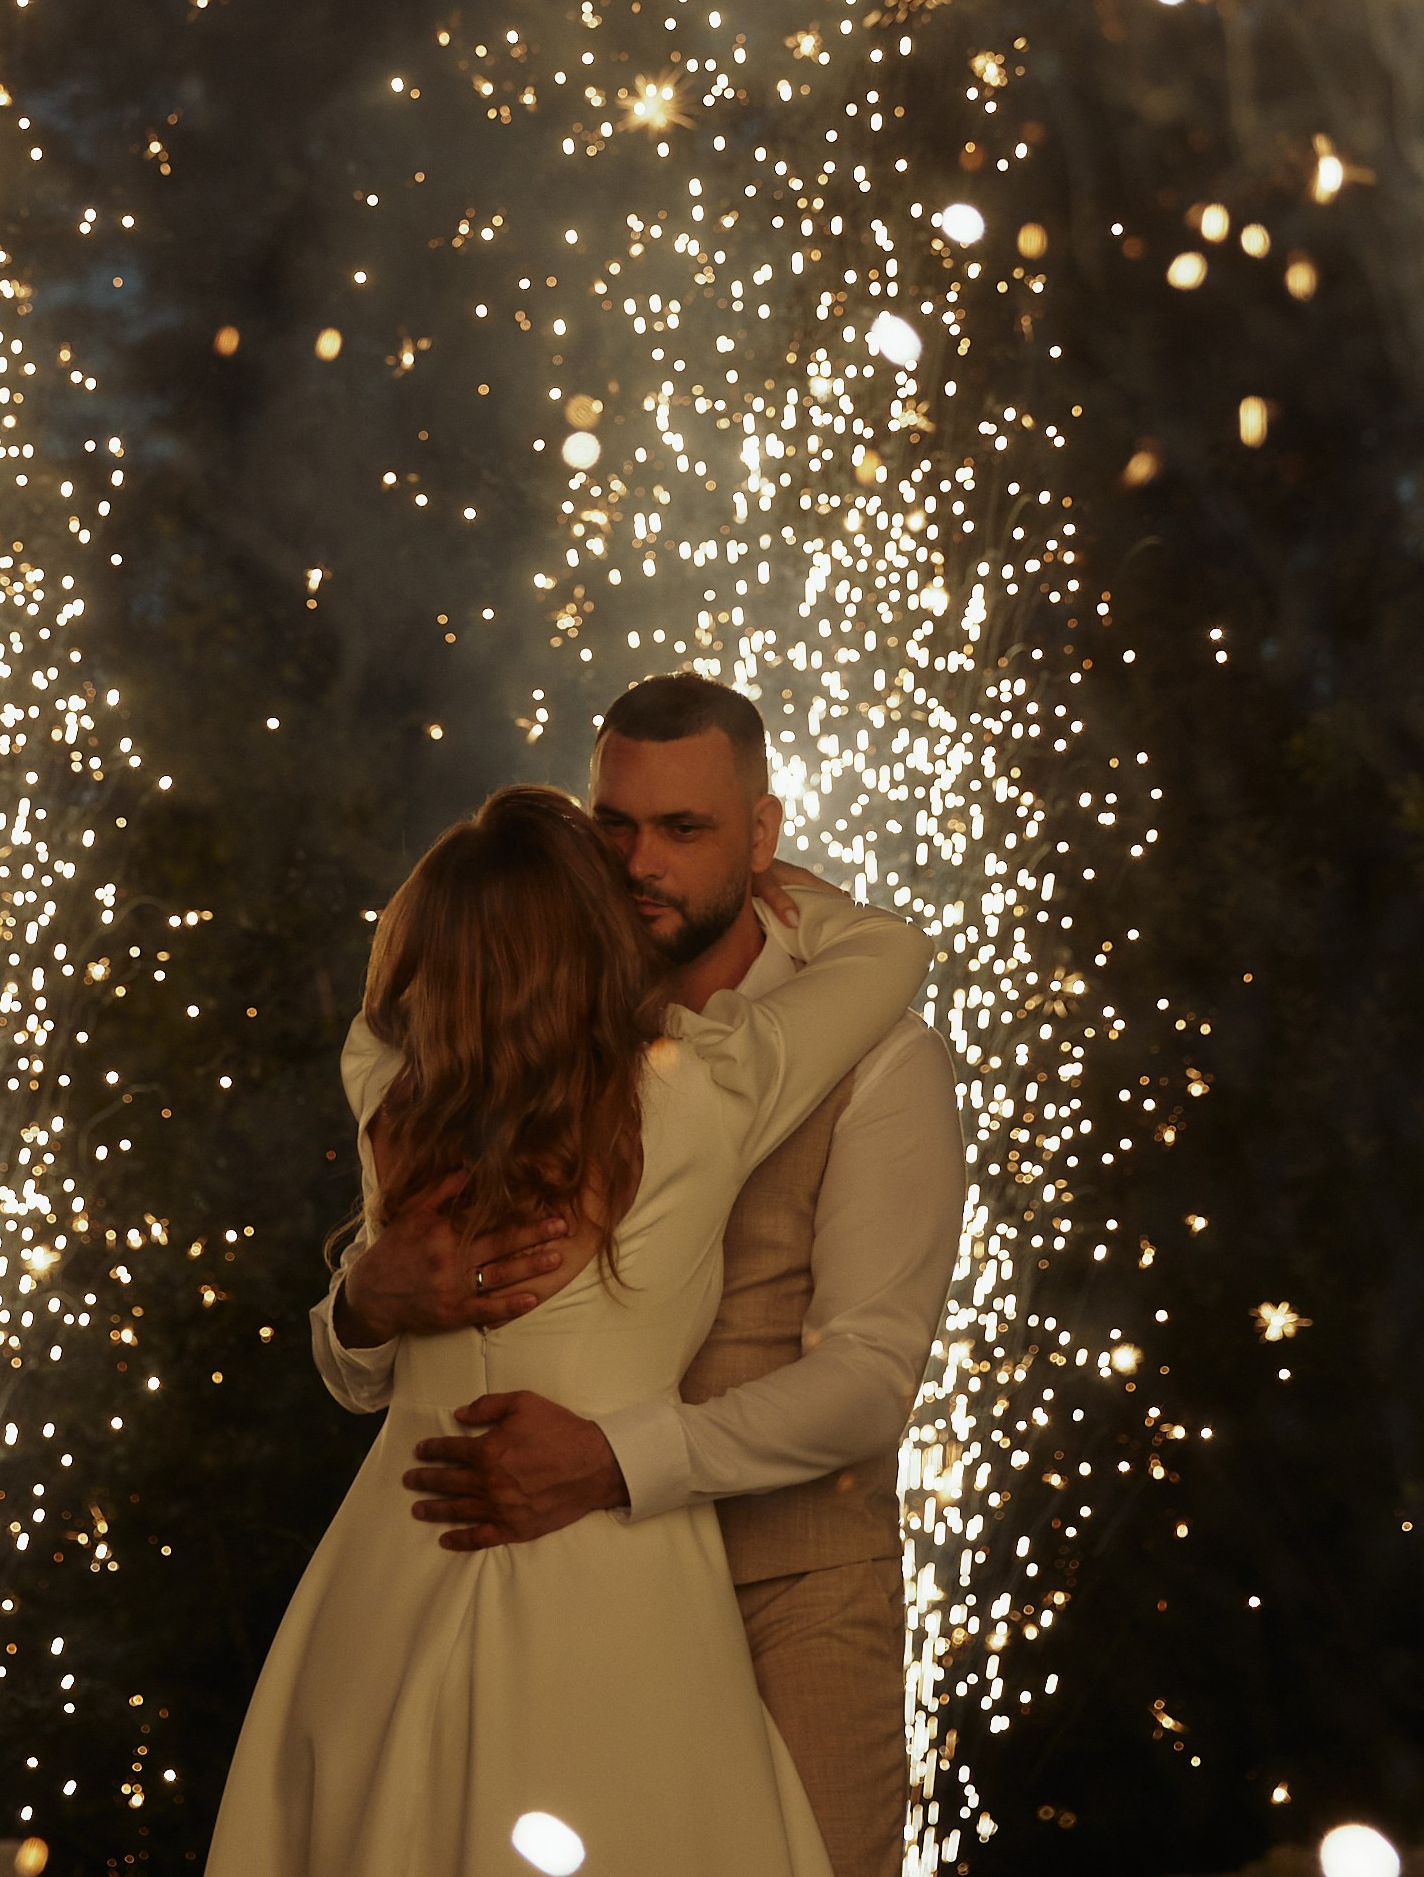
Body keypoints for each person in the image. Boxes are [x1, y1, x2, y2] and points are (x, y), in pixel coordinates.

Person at [204, 776, 932, 1877]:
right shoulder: (702, 1092)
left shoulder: (388, 1102)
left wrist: (366, 1281)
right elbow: (891, 955)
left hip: (389, 1574)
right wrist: (782, 887)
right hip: (615, 1593)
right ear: (596, 939)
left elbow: (377, 1015)